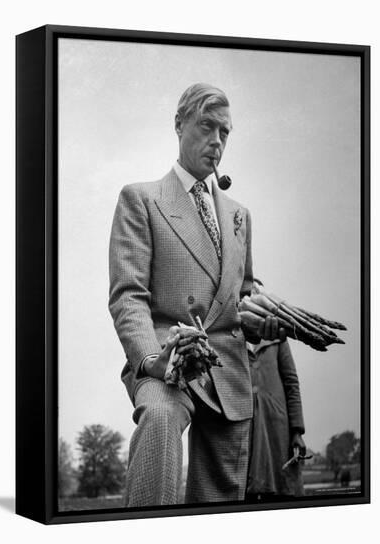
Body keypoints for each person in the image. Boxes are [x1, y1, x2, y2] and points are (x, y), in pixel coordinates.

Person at [108, 83, 281, 507]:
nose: (217, 141)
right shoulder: (141, 199)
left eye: (225, 132)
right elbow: (128, 296)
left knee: (219, 505)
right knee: (161, 419)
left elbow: (242, 294)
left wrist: (260, 319)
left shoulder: (240, 216)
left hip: (229, 371)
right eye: (207, 126)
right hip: (170, 358)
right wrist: (151, 360)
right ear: (179, 124)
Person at [246, 280, 307, 501]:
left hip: (277, 425)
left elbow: (291, 382)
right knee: (245, 491)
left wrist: (297, 430)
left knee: (282, 491)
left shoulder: (278, 336)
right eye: (247, 293)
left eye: (256, 292)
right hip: (246, 426)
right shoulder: (233, 337)